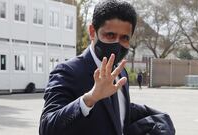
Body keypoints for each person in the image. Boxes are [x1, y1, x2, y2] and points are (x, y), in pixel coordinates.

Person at [39, 1, 175, 135]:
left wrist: (157, 119)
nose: (117, 43)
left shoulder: (121, 72)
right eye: (110, 35)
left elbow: (117, 113)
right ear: (92, 32)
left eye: (124, 38)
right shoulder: (67, 71)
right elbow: (47, 128)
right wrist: (90, 98)